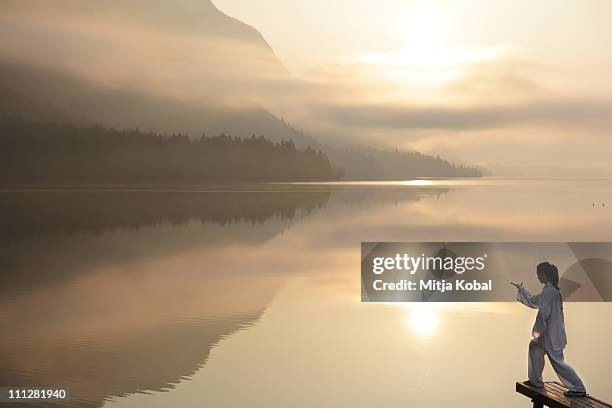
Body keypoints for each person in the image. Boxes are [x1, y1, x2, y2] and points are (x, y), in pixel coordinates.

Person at [511, 262, 587, 397]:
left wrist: (537, 331)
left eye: (538, 274)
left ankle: (578, 388)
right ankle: (536, 381)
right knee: (534, 348)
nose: (537, 276)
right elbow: (534, 300)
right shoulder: (549, 290)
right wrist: (521, 289)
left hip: (551, 335)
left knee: (558, 363)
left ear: (544, 274)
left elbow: (543, 313)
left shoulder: (550, 292)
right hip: (549, 334)